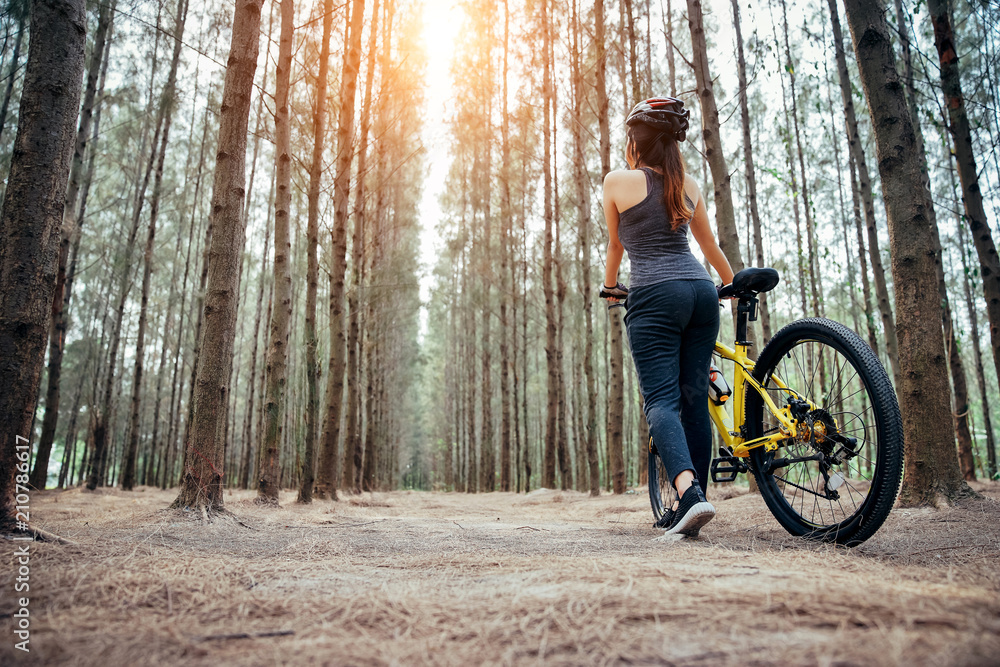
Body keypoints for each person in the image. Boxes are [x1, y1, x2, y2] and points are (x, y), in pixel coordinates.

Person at [601, 97, 735, 537]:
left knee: (660, 400)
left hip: (655, 296)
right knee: (695, 399)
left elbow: (617, 246)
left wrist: (609, 285)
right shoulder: (688, 183)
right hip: (701, 293)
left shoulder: (617, 181)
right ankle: (694, 504)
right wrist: (729, 286)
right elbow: (710, 248)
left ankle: (690, 494)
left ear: (636, 143)